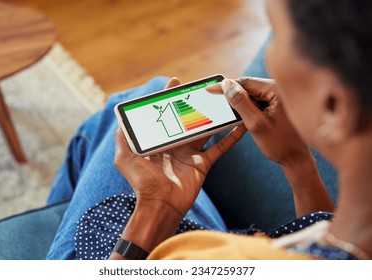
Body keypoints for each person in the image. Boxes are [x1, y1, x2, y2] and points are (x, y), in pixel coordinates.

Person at [47, 0, 372, 260]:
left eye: (276, 34)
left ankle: (50, 226)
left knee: (123, 112)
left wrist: (155, 212)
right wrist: (297, 163)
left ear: (333, 106)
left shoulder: (205, 259)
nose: (269, 60)